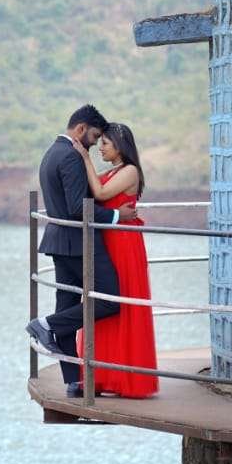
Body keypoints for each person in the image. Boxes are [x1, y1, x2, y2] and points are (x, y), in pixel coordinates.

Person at [25, 105, 137, 397]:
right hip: (79, 243)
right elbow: (78, 209)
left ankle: (74, 382)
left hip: (59, 242)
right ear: (81, 129)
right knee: (110, 301)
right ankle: (45, 324)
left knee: (67, 307)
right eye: (95, 136)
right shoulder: (71, 157)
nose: (95, 143)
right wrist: (117, 216)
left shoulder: (51, 153)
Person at [70, 121, 158, 398]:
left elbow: (101, 193)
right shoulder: (113, 171)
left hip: (123, 243)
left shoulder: (130, 171)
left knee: (121, 302)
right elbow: (93, 188)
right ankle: (104, 374)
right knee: (104, 304)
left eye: (105, 144)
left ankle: (126, 377)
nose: (100, 148)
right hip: (108, 240)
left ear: (120, 146)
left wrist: (84, 157)